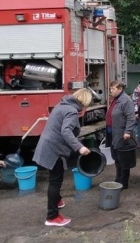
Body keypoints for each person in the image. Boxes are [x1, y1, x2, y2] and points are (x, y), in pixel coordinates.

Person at [33, 88, 93, 226]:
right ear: (84, 102)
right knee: (55, 181)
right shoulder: (71, 111)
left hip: (46, 146)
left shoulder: (62, 105)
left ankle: (57, 200)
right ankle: (52, 217)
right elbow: (65, 131)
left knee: (53, 178)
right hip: (54, 150)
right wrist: (80, 147)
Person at [106, 80, 136, 189]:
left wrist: (127, 131)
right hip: (112, 134)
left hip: (122, 135)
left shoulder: (126, 100)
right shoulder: (115, 99)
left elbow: (131, 117)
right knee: (116, 157)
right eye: (110, 88)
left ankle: (123, 182)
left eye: (113, 89)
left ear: (120, 89)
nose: (111, 91)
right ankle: (118, 178)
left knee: (123, 158)